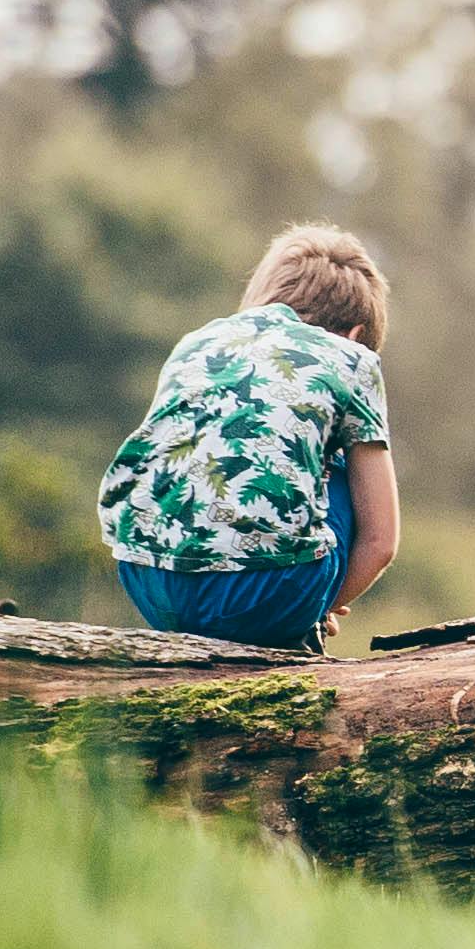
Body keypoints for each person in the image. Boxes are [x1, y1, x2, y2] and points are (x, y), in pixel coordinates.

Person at [98, 223, 405, 649]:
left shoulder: (197, 343)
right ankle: (299, 632)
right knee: (338, 459)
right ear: (355, 335)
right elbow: (380, 541)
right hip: (270, 593)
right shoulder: (352, 359)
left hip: (147, 579)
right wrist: (320, 606)